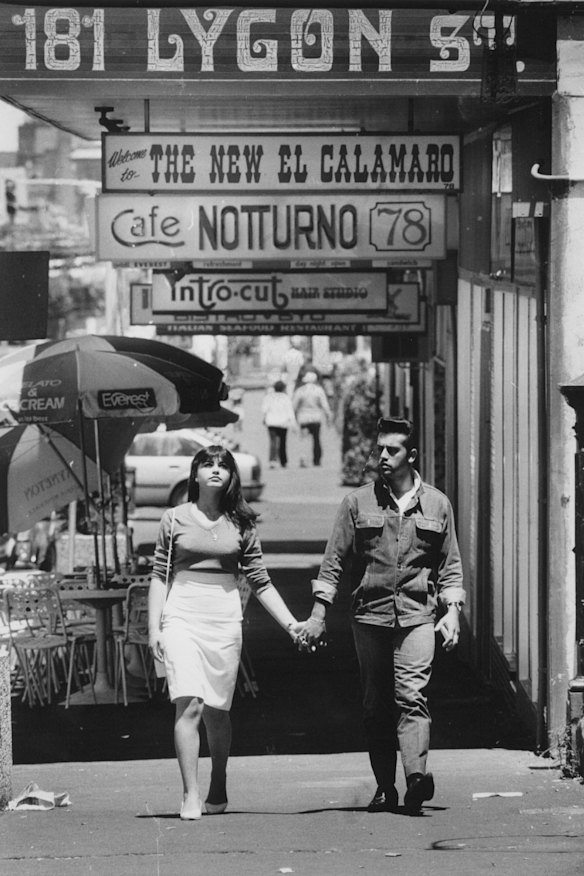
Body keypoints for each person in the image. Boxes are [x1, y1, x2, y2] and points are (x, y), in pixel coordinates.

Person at [297, 417, 465, 815]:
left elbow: (450, 565)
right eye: (380, 449)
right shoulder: (358, 503)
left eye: (392, 450)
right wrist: (319, 615)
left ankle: (416, 778)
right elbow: (333, 562)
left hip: (418, 615)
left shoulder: (438, 504)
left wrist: (452, 611)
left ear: (411, 455)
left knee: (412, 695)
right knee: (376, 703)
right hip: (369, 616)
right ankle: (385, 786)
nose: (383, 456)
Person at [148, 445, 302, 820]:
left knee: (217, 709)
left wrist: (292, 625)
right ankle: (190, 793)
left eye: (223, 466)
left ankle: (218, 779)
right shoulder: (174, 518)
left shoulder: (242, 524)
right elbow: (158, 575)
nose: (216, 470)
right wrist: (153, 627)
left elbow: (261, 583)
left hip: (223, 614)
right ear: (195, 474)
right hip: (181, 610)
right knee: (190, 703)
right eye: (207, 464)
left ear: (232, 477)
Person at [292, 370, 332, 467]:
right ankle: (317, 460)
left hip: (304, 418)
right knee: (316, 440)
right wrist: (328, 417)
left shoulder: (300, 390)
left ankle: (304, 460)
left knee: (305, 440)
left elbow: (294, 406)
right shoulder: (318, 390)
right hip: (316, 418)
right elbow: (325, 405)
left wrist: (294, 418)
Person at [261, 379, 296, 468]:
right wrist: (293, 423)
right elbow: (290, 412)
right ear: (284, 388)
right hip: (283, 423)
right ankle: (283, 461)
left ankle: (272, 460)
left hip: (271, 422)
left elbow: (264, 410)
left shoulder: (268, 397)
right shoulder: (286, 397)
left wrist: (264, 419)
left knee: (273, 442)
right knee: (282, 442)